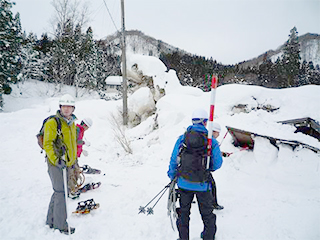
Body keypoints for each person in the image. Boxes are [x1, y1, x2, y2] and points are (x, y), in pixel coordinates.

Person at [168, 109, 223, 240]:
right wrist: (209, 169)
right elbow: (218, 163)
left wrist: (172, 175)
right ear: (205, 122)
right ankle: (208, 236)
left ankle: (183, 238)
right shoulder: (211, 142)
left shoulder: (182, 139)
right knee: (207, 214)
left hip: (183, 183)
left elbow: (174, 159)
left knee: (183, 213)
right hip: (203, 184)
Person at [43, 94, 77, 235]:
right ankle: (60, 225)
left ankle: (51, 220)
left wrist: (73, 161)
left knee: (58, 192)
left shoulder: (71, 123)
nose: (67, 109)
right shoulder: (53, 123)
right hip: (56, 163)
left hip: (67, 163)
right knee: (61, 193)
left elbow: (71, 144)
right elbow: (48, 144)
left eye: (69, 107)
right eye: (64, 106)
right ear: (60, 107)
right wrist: (56, 160)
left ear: (73, 108)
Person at [67, 118, 93, 197]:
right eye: (87, 127)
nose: (87, 129)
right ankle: (71, 189)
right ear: (85, 125)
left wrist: (82, 151)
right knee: (72, 171)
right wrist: (84, 143)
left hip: (75, 154)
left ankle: (75, 186)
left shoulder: (80, 130)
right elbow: (75, 141)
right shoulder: (77, 130)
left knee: (76, 170)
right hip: (71, 155)